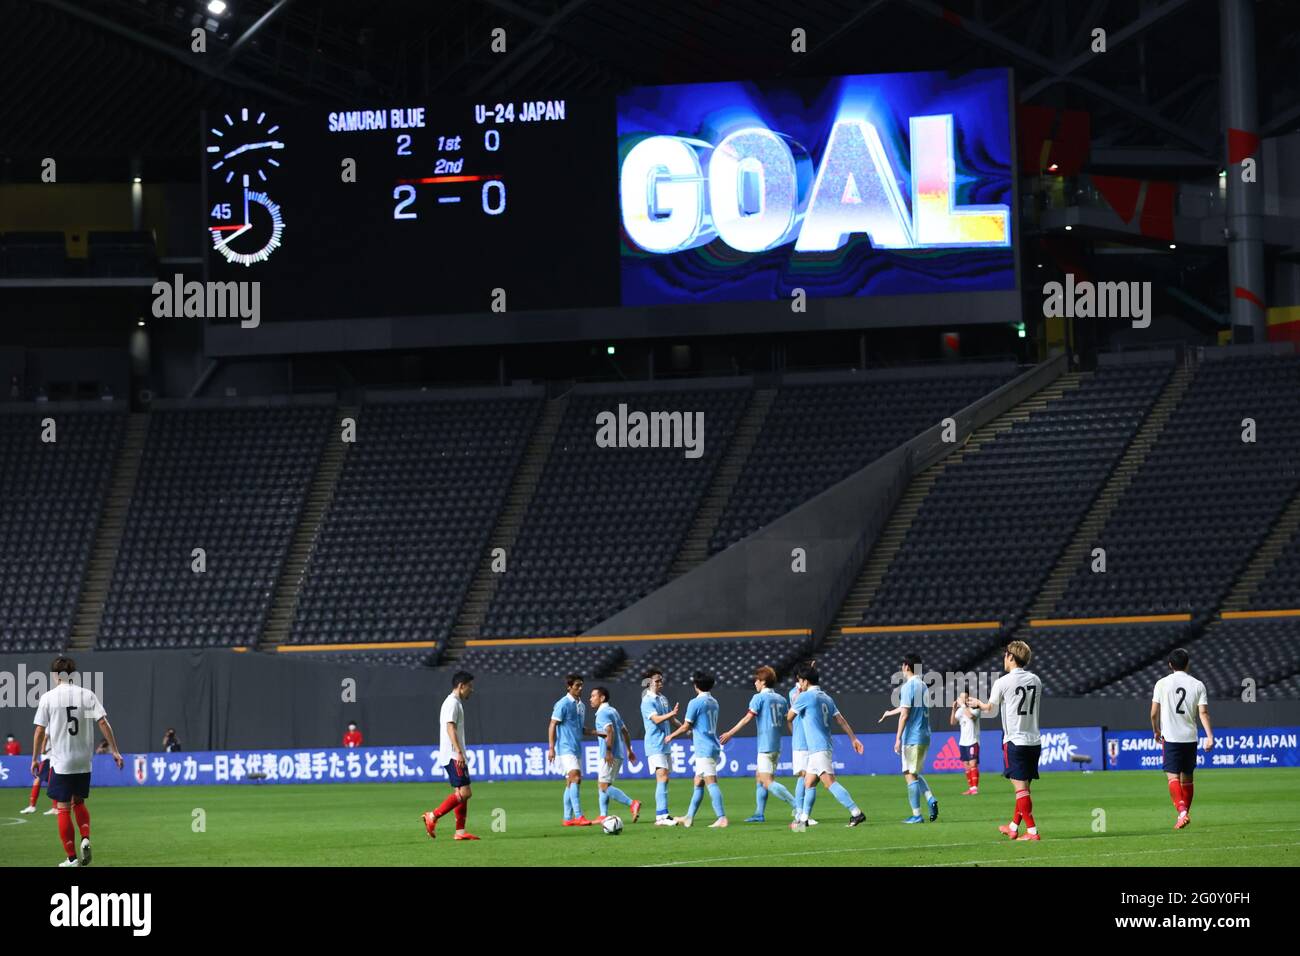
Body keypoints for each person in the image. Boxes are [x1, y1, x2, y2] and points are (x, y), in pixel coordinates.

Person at [31, 656, 124, 866]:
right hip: (83, 761)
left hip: (61, 761)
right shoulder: (87, 695)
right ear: (73, 675)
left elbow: (39, 731)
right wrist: (115, 752)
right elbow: (103, 723)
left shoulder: (48, 698)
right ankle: (85, 837)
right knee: (79, 802)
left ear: (55, 676)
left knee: (63, 808)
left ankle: (71, 857)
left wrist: (35, 758)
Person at [968, 641, 1043, 841]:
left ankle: (1032, 832)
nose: (1004, 658)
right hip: (1034, 741)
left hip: (1015, 741)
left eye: (1005, 655)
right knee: (1024, 790)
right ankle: (1012, 827)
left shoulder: (1003, 682)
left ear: (1011, 657)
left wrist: (979, 704)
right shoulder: (1036, 680)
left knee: (1021, 790)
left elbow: (991, 711)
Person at [788, 663, 866, 831]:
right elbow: (841, 720)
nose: (799, 684)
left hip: (817, 747)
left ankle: (856, 812)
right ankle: (803, 821)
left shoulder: (805, 696)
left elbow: (789, 717)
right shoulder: (827, 697)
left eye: (800, 681)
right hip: (823, 745)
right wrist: (853, 739)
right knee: (809, 783)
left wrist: (798, 696)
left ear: (806, 682)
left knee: (829, 782)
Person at [719, 664, 798, 822]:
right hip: (776, 745)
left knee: (767, 781)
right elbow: (789, 722)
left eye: (756, 680)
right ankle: (759, 813)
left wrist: (730, 733)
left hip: (765, 745)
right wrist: (797, 739)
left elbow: (747, 718)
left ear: (763, 681)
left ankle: (798, 806)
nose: (755, 683)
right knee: (759, 777)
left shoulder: (759, 698)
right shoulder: (781, 699)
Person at [1151, 647, 1213, 830]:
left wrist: (1156, 730)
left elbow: (1154, 713)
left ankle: (1182, 812)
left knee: (1172, 777)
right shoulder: (1198, 685)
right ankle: (1184, 813)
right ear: (1188, 664)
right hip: (1190, 738)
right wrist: (1209, 736)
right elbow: (1203, 713)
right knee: (1188, 779)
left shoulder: (1161, 684)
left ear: (1170, 665)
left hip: (1171, 737)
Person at [878, 655, 938, 823]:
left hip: (913, 736)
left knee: (909, 774)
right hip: (925, 734)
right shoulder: (923, 685)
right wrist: (890, 712)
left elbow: (905, 715)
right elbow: (908, 708)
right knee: (914, 772)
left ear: (906, 666)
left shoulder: (908, 686)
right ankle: (930, 799)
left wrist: (897, 739)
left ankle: (917, 814)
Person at [664, 671, 728, 828]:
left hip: (704, 747)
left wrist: (671, 736)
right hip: (711, 745)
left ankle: (722, 818)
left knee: (711, 782)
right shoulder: (714, 701)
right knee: (698, 781)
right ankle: (689, 817)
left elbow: (687, 725)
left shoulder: (695, 703)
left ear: (696, 685)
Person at [422, 671, 478, 840]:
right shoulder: (452, 703)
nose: (472, 690)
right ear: (461, 686)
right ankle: (432, 816)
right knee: (465, 792)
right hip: (454, 755)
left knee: (461, 791)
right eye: (470, 686)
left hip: (455, 754)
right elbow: (450, 728)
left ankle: (460, 832)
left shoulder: (455, 702)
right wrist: (459, 753)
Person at [588, 687, 640, 824]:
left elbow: (609, 731)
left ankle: (632, 803)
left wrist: (608, 751)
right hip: (618, 752)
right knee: (604, 784)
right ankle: (603, 815)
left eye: (593, 696)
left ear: (602, 698)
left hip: (610, 753)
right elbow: (625, 731)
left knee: (603, 785)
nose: (590, 699)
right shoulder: (613, 711)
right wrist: (629, 750)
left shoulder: (602, 713)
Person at [548, 674, 592, 826]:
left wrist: (600, 733)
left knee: (570, 782)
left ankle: (567, 818)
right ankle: (579, 816)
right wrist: (551, 748)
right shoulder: (563, 704)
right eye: (577, 685)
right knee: (576, 777)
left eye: (581, 685)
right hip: (564, 748)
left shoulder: (581, 705)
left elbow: (580, 729)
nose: (580, 688)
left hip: (576, 748)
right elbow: (552, 724)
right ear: (569, 686)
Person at [639, 669, 680, 826]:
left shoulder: (663, 698)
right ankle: (661, 816)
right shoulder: (647, 701)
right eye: (657, 681)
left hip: (665, 743)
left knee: (665, 778)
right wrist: (672, 715)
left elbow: (672, 718)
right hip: (654, 743)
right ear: (649, 683)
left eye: (661, 680)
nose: (660, 683)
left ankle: (662, 814)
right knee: (662, 776)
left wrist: (686, 727)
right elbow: (656, 719)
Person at [952, 691, 981, 795]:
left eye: (963, 697)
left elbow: (971, 717)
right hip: (963, 742)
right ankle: (971, 788)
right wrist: (954, 709)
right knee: (966, 765)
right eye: (960, 697)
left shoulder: (975, 708)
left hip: (973, 740)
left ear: (968, 699)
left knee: (973, 764)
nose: (961, 699)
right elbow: (953, 722)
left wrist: (963, 706)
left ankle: (974, 788)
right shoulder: (960, 710)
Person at [19, 737, 56, 816]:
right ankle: (55, 807)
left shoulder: (47, 726)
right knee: (52, 780)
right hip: (52, 758)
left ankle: (32, 806)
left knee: (38, 779)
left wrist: (42, 749)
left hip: (47, 758)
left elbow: (45, 736)